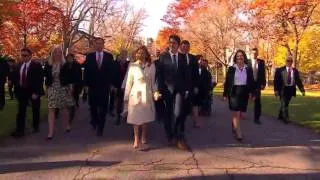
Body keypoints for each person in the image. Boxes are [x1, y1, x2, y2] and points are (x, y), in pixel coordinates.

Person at [156, 34, 191, 151]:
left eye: (174, 43)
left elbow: (186, 75)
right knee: (168, 112)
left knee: (177, 112)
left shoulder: (182, 57)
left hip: (180, 90)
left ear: (178, 45)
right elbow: (159, 75)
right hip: (167, 89)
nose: (172, 45)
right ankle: (169, 134)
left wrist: (186, 89)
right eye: (170, 42)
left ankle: (177, 135)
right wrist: (159, 90)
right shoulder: (163, 57)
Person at [123, 46, 156, 149]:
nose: (140, 55)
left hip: (147, 93)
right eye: (138, 53)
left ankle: (143, 135)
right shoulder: (132, 66)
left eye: (142, 53)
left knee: (145, 117)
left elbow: (153, 81)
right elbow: (129, 82)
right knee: (135, 117)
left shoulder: (151, 66)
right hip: (135, 93)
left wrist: (155, 92)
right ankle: (136, 139)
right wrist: (126, 97)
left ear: (146, 54)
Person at [84, 37, 117, 136]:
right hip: (92, 86)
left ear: (103, 45)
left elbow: (112, 72)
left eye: (100, 43)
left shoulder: (109, 56)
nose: (99, 45)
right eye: (97, 43)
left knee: (103, 107)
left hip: (104, 86)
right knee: (93, 106)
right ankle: (94, 120)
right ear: (94, 45)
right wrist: (85, 84)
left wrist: (112, 84)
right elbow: (86, 71)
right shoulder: (89, 56)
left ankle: (100, 127)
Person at [11, 48, 44, 138]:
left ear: (30, 56)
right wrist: (16, 88)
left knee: (35, 109)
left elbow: (40, 80)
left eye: (25, 55)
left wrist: (37, 92)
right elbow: (14, 77)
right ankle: (20, 130)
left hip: (33, 91)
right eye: (21, 55)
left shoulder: (36, 65)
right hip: (22, 91)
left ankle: (35, 126)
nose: (23, 57)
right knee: (21, 111)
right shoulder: (19, 65)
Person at [223, 49, 255, 142]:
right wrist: (225, 94)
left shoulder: (248, 68)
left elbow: (251, 81)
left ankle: (234, 125)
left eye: (241, 56)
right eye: (238, 56)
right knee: (236, 113)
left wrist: (252, 93)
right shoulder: (232, 69)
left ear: (244, 57)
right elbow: (227, 82)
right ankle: (239, 133)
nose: (240, 57)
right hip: (234, 92)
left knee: (240, 113)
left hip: (244, 91)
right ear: (235, 58)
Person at [44, 46, 75, 140]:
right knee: (51, 108)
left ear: (61, 54)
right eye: (55, 52)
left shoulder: (65, 64)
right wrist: (46, 87)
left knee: (64, 108)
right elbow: (46, 76)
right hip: (52, 87)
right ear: (52, 53)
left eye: (59, 52)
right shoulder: (48, 64)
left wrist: (70, 86)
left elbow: (70, 77)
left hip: (63, 87)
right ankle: (50, 132)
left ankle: (67, 124)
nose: (57, 53)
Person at [274, 56, 305, 124]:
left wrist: (302, 90)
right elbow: (276, 81)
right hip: (282, 89)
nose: (289, 62)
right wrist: (276, 90)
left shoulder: (295, 71)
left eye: (290, 61)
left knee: (286, 104)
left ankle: (280, 115)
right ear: (285, 61)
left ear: (292, 62)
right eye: (287, 61)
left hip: (290, 89)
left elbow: (298, 81)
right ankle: (286, 118)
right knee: (284, 103)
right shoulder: (280, 70)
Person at [179, 40, 201, 128]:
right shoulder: (177, 57)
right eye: (183, 47)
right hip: (180, 86)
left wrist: (196, 86)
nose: (185, 48)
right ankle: (180, 123)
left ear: (189, 48)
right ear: (180, 47)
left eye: (187, 47)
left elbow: (196, 73)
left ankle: (195, 121)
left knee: (191, 104)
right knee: (180, 104)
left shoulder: (193, 58)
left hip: (191, 85)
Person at [249, 48, 266, 124]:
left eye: (255, 53)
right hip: (248, 84)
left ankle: (257, 118)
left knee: (258, 101)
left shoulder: (261, 62)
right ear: (251, 53)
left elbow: (263, 74)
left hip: (257, 84)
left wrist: (263, 83)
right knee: (243, 99)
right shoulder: (247, 62)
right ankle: (238, 115)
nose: (254, 55)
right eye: (253, 53)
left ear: (257, 54)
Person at [64, 53, 82, 123]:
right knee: (69, 97)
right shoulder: (65, 65)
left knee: (75, 95)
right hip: (67, 84)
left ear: (72, 58)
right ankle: (70, 108)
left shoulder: (77, 65)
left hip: (75, 83)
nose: (69, 59)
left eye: (70, 58)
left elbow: (80, 74)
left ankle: (75, 104)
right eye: (68, 58)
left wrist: (80, 83)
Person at [113, 49, 130, 125]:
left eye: (124, 54)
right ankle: (118, 117)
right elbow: (113, 75)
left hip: (127, 86)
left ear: (126, 56)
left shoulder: (129, 64)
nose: (123, 56)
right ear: (119, 55)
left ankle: (126, 116)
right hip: (118, 85)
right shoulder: (115, 64)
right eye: (122, 54)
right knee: (119, 102)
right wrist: (113, 85)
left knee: (127, 102)